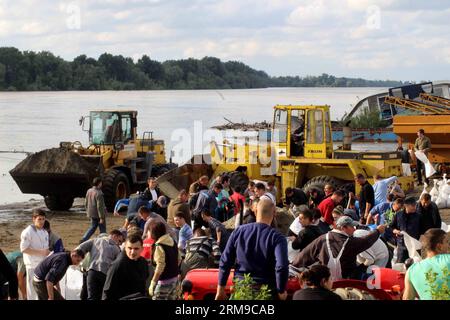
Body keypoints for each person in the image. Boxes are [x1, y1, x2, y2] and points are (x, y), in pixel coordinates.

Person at [216, 198, 289, 301]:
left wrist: (220, 289)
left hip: (241, 290)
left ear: (255, 212)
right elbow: (281, 266)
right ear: (275, 213)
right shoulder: (278, 238)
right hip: (266, 292)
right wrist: (281, 290)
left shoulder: (238, 232)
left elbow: (225, 261)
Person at [293, 216, 386, 280]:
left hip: (326, 279)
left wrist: (293, 266)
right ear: (343, 227)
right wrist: (378, 231)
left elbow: (305, 255)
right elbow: (366, 241)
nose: (354, 229)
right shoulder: (349, 242)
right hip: (347, 280)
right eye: (352, 226)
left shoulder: (321, 239)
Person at [77, 229, 124, 300]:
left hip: (92, 272)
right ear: (114, 236)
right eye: (119, 241)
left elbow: (79, 249)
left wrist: (78, 260)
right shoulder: (116, 249)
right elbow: (119, 265)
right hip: (106, 275)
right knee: (103, 297)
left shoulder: (95, 240)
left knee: (91, 297)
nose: (120, 244)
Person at [403, 228, 449, 300]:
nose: (448, 246)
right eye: (447, 242)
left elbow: (407, 298)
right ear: (439, 247)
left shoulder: (411, 271)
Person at [102, 234, 149, 300]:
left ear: (142, 249)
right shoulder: (118, 264)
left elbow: (144, 283)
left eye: (136, 249)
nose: (132, 252)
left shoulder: (143, 262)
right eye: (130, 248)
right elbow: (107, 291)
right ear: (125, 248)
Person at [20, 209, 49, 300]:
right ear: (34, 219)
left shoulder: (45, 232)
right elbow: (24, 249)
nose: (41, 221)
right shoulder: (28, 231)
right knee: (32, 291)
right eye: (39, 219)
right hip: (32, 265)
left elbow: (46, 248)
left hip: (42, 265)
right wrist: (41, 252)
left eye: (43, 219)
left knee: (41, 291)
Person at [149, 221, 181, 300]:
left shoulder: (159, 246)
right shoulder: (172, 241)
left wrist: (153, 282)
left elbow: (160, 266)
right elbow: (179, 259)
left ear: (154, 233)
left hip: (163, 283)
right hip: (175, 281)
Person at [390, 197, 421, 263]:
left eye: (415, 205)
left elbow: (423, 230)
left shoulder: (418, 216)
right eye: (412, 206)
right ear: (406, 205)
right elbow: (391, 227)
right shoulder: (398, 215)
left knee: (415, 264)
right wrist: (395, 231)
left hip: (414, 246)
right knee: (401, 264)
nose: (414, 207)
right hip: (402, 245)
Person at [81, 177, 107, 243]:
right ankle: (104, 241)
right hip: (99, 214)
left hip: (91, 213)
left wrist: (87, 212)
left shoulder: (89, 190)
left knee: (92, 227)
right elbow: (100, 206)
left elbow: (86, 202)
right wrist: (101, 217)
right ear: (99, 183)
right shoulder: (99, 193)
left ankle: (84, 239)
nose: (101, 184)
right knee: (103, 229)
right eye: (101, 183)